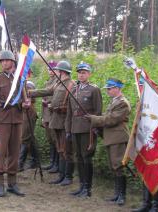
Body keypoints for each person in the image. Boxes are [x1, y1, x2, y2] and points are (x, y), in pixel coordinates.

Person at [0, 50, 30, 197]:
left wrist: (26, 104)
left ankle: (12, 183)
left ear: (13, 62)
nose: (5, 62)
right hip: (2, 120)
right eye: (2, 61)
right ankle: (0, 184)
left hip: (17, 118)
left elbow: (24, 99)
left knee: (15, 151)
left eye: (7, 60)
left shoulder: (19, 78)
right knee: (0, 151)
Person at [28, 61, 76, 186]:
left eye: (58, 71)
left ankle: (68, 176)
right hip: (56, 120)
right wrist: (29, 93)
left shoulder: (71, 85)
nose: (56, 73)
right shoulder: (58, 84)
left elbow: (73, 106)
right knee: (60, 149)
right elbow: (46, 91)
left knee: (67, 150)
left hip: (65, 120)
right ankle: (61, 175)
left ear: (62, 72)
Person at [85, 78, 131, 206]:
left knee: (119, 166)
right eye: (107, 89)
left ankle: (122, 196)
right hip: (111, 138)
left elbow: (111, 120)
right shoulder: (114, 102)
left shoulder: (123, 103)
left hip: (119, 138)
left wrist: (94, 119)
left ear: (117, 88)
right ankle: (117, 194)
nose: (108, 91)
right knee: (114, 166)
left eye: (110, 89)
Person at [66, 62, 102, 197]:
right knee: (78, 157)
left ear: (89, 74)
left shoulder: (94, 90)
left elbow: (98, 112)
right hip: (75, 127)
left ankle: (87, 188)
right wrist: (68, 129)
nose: (81, 75)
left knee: (86, 157)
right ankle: (81, 186)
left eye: (84, 72)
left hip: (87, 128)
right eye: (79, 72)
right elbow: (69, 112)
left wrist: (95, 128)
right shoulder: (73, 89)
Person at [41, 61, 59, 172]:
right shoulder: (48, 82)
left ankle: (57, 164)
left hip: (54, 114)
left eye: (53, 69)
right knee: (50, 140)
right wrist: (43, 117)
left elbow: (57, 98)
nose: (51, 71)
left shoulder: (57, 82)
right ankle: (52, 162)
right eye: (49, 69)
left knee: (55, 139)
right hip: (47, 114)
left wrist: (48, 102)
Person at [18, 81, 38, 172]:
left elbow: (30, 99)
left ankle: (20, 164)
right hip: (24, 112)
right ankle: (35, 160)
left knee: (25, 138)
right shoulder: (21, 85)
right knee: (30, 137)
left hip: (29, 112)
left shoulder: (29, 85)